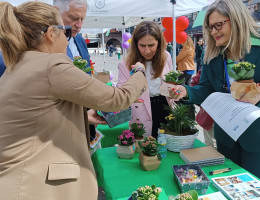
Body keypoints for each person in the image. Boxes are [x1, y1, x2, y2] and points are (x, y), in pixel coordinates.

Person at [0, 2, 147, 199]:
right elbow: (116, 99)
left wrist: (82, 116)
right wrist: (139, 72)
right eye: (66, 33)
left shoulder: (18, 64)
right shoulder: (51, 65)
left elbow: (35, 117)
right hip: (37, 186)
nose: (69, 38)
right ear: (51, 33)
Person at [168, 0, 260, 178]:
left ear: (236, 20)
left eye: (218, 25)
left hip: (256, 137)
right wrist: (187, 91)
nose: (214, 32)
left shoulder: (257, 47)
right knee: (229, 183)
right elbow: (206, 89)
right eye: (210, 27)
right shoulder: (212, 54)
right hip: (227, 135)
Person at [54, 0, 99, 144]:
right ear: (56, 11)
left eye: (82, 19)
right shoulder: (47, 44)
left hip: (84, 121)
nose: (79, 25)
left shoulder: (79, 39)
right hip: (60, 124)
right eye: (74, 18)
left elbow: (88, 76)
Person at [118, 21, 173, 138]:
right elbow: (122, 93)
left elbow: (168, 83)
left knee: (165, 145)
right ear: (135, 44)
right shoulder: (125, 64)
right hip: (142, 110)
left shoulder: (166, 57)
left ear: (159, 43)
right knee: (145, 147)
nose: (147, 50)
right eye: (142, 45)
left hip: (165, 106)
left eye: (151, 45)